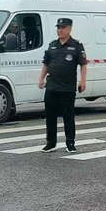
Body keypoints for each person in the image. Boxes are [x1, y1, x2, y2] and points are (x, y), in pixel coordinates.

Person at [37, 18, 88, 153]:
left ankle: (70, 143)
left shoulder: (76, 46)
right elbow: (46, 64)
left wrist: (83, 81)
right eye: (58, 28)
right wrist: (41, 78)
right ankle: (51, 142)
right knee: (50, 116)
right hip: (52, 86)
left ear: (69, 29)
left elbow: (83, 65)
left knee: (68, 116)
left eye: (63, 28)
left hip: (67, 87)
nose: (60, 30)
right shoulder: (52, 45)